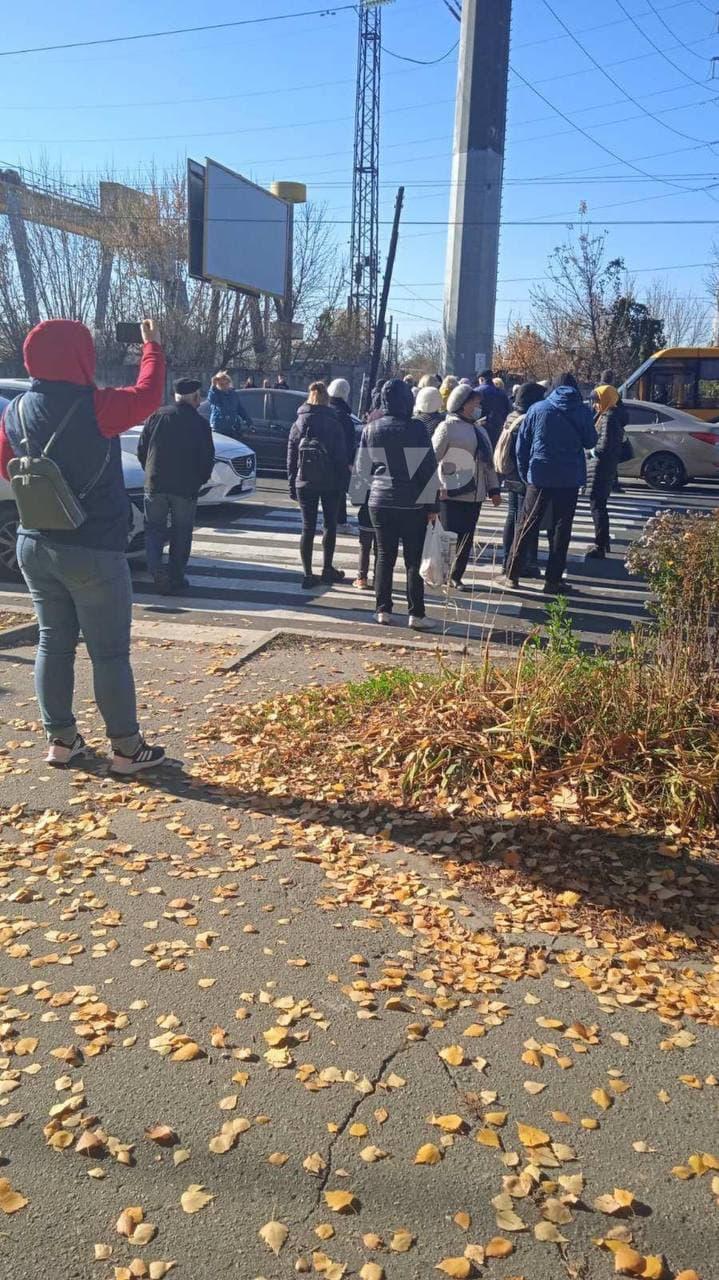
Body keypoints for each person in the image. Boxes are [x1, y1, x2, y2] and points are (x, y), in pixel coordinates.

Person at [0, 318, 166, 774]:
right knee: (108, 652)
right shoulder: (97, 406)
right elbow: (149, 394)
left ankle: (61, 741)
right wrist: (151, 347)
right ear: (80, 355)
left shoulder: (14, 409)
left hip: (34, 542)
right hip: (92, 546)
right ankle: (128, 750)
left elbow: (5, 468)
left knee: (52, 643)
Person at [353, 378, 438, 630]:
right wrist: (433, 506)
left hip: (379, 500)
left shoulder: (372, 428)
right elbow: (427, 468)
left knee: (384, 555)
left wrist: (361, 497)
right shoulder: (416, 428)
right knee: (413, 559)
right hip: (411, 501)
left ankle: (382, 610)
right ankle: (416, 613)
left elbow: (362, 469)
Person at [502, 372, 597, 595]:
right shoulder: (581, 410)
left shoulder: (538, 408)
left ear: (553, 387)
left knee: (527, 522)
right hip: (569, 476)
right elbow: (591, 441)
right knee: (562, 528)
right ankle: (553, 580)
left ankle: (512, 574)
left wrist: (526, 473)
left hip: (540, 473)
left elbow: (522, 446)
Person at [138, 378, 214, 595]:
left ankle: (156, 570)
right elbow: (207, 457)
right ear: (196, 397)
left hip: (155, 483)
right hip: (185, 488)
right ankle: (177, 575)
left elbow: (142, 448)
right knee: (182, 532)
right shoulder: (199, 423)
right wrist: (200, 480)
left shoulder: (157, 416)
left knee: (153, 530)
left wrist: (150, 472)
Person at [432, 384, 501, 592]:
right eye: (474, 402)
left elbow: (487, 463)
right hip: (450, 492)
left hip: (475, 494)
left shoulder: (479, 430)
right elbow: (432, 457)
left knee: (466, 537)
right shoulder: (447, 427)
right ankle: (441, 572)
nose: (478, 406)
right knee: (448, 537)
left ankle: (456, 575)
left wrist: (494, 489)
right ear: (463, 405)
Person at [287, 381, 348, 590]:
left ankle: (307, 573)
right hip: (330, 482)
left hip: (304, 480)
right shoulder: (334, 422)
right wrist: (343, 482)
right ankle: (327, 569)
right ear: (327, 399)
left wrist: (292, 483)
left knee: (307, 527)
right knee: (329, 526)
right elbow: (341, 456)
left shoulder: (299, 422)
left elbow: (291, 456)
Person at [494, 382, 545, 578]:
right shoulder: (529, 419)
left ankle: (507, 559)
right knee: (526, 520)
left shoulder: (511, 417)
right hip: (525, 475)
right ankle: (522, 562)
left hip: (510, 473)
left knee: (512, 516)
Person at [586, 384, 626, 559]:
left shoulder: (609, 417)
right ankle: (603, 541)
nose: (595, 405)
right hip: (604, 467)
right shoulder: (609, 414)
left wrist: (590, 451)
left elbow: (603, 446)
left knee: (597, 505)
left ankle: (600, 544)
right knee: (599, 504)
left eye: (597, 401)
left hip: (601, 467)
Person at [327, 378, 356, 531]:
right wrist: (350, 461)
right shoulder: (344, 417)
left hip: (323, 458)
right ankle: (340, 521)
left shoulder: (325, 410)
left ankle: (331, 521)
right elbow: (350, 441)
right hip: (340, 460)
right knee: (339, 492)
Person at [600, 368, 629, 494]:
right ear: (612, 380)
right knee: (611, 459)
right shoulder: (613, 392)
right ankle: (613, 484)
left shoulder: (595, 391)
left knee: (594, 458)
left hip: (596, 427)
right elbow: (622, 414)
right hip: (611, 428)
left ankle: (589, 485)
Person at [207, 371, 251, 440]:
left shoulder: (233, 394)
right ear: (218, 385)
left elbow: (240, 409)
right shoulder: (216, 393)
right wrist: (213, 385)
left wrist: (249, 422)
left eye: (226, 383)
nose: (224, 386)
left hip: (233, 427)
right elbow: (211, 399)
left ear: (229, 383)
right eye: (221, 384)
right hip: (219, 428)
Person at [475, 369, 511, 450]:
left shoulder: (477, 392)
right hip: (498, 428)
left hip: (480, 429)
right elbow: (508, 410)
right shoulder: (502, 393)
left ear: (481, 379)